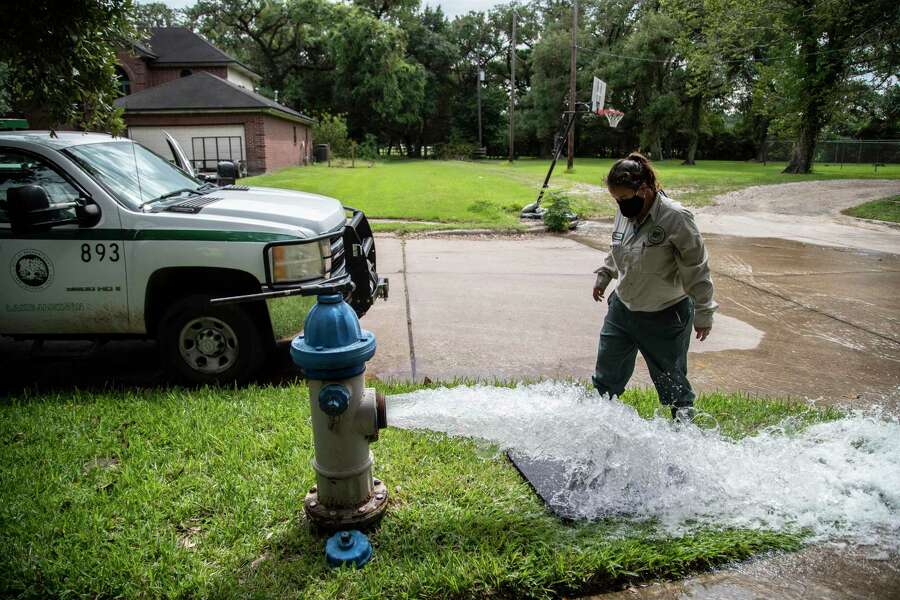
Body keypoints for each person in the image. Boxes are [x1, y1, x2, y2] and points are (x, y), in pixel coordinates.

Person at [592, 152, 717, 422]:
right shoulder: (624, 211)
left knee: (673, 384)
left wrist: (704, 312)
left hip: (665, 313)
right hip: (623, 308)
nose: (621, 204)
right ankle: (599, 426)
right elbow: (618, 245)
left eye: (625, 198)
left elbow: (697, 267)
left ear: (645, 189)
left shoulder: (676, 218)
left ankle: (683, 431)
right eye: (616, 199)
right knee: (605, 377)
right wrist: (605, 274)